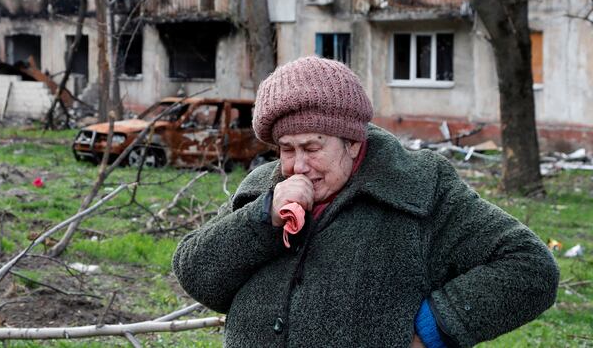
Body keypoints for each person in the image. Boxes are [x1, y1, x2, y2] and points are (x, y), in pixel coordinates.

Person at [173, 56, 559, 347]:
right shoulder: (263, 189)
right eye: (287, 149)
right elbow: (196, 274)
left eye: (312, 147)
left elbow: (529, 266)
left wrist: (435, 328)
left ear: (353, 142)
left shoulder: (417, 186)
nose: (298, 166)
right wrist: (262, 219)